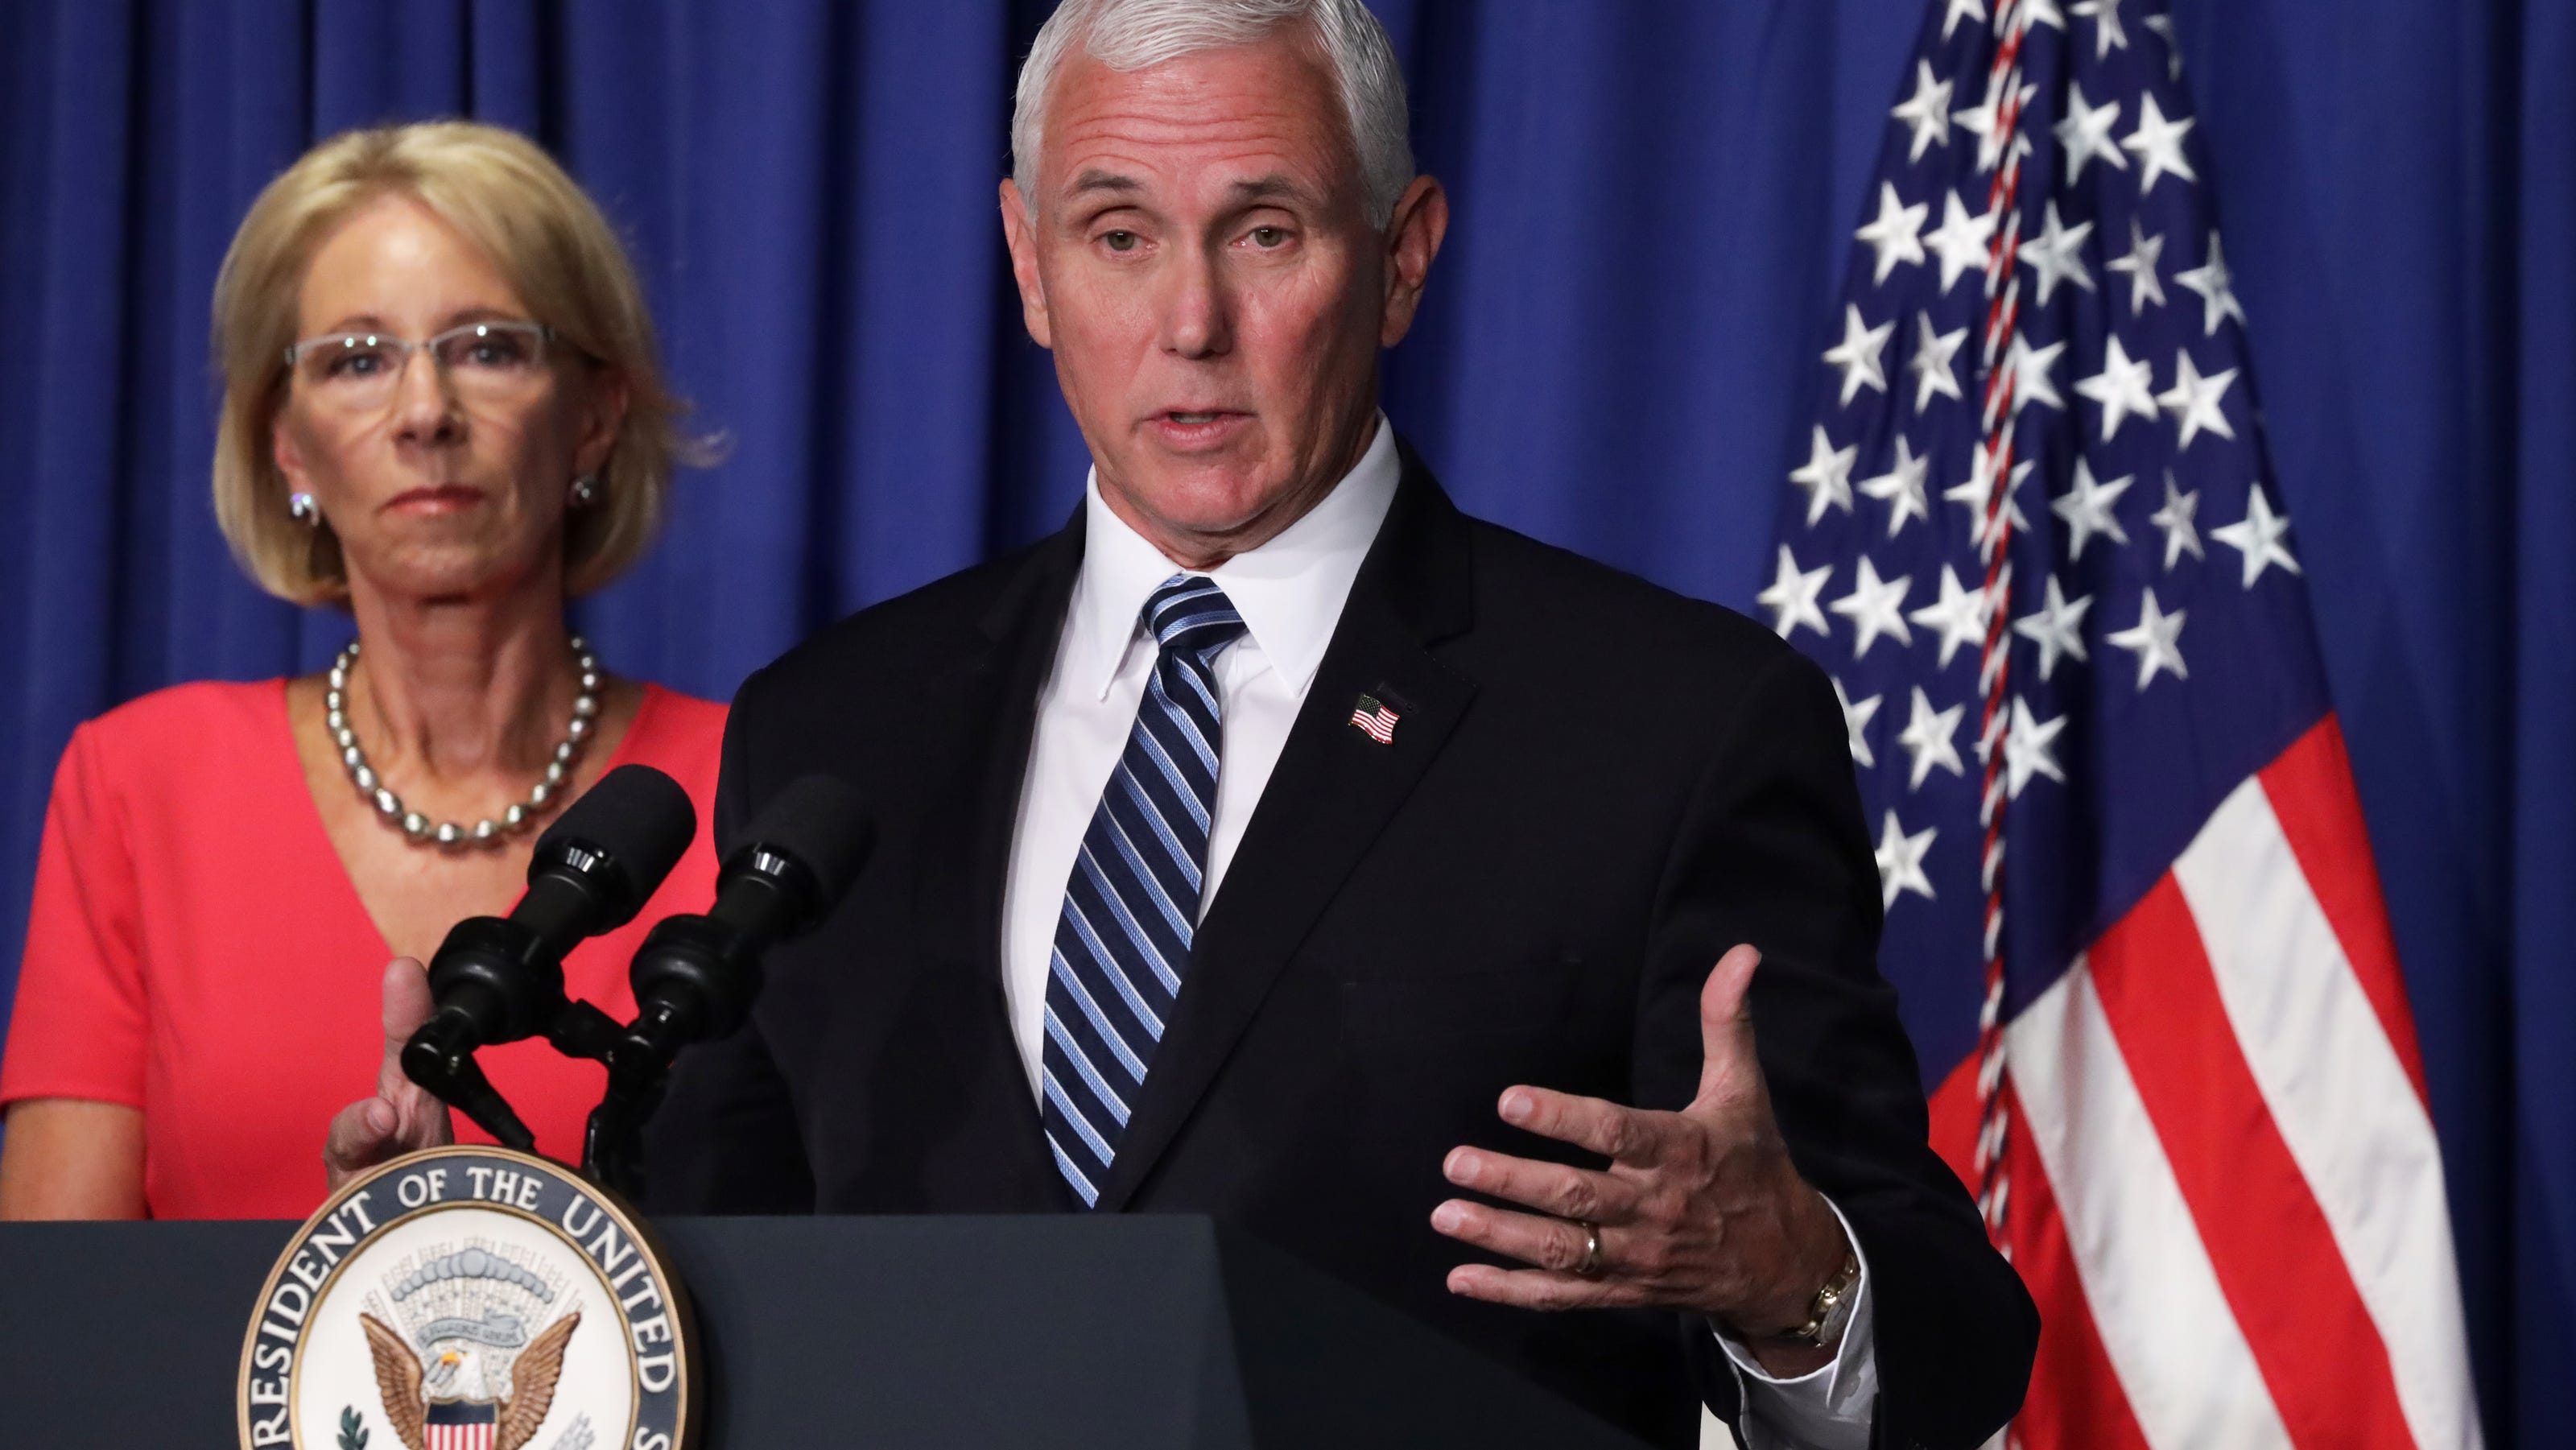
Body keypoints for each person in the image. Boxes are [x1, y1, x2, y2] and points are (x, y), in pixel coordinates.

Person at [327, 4, 2036, 1445]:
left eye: (1266, 229)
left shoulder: (1667, 724)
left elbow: (1950, 1349)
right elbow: (719, 1286)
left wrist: (1791, 1282)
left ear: (1403, 259)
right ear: (1029, 265)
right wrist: (466, 1257)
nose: (1191, 322)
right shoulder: (840, 729)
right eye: (1119, 234)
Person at [0, 122, 726, 1221]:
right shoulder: (141, 784)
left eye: (488, 348)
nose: (426, 414)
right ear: (286, 444)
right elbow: (60, 1303)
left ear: (593, 417)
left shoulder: (740, 779)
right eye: (356, 360)